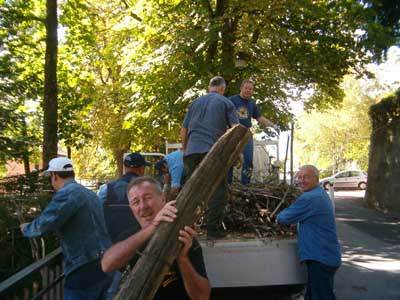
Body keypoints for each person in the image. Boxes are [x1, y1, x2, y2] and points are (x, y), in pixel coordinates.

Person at [101, 176, 211, 300]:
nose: (143, 206)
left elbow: (202, 297)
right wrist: (152, 228)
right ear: (131, 208)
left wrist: (182, 258)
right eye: (136, 202)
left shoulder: (182, 236)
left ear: (163, 199)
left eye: (148, 198)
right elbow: (107, 265)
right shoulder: (131, 236)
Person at [20, 157, 112, 300]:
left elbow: (45, 224)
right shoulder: (90, 194)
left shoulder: (67, 193)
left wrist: (27, 228)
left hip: (84, 268)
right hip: (105, 261)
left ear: (54, 176)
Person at [181, 76, 239, 238]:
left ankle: (183, 230)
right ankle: (212, 230)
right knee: (218, 190)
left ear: (209, 87)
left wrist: (185, 150)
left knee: (190, 191)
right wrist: (235, 152)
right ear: (222, 88)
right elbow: (235, 129)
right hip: (212, 152)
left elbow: (184, 129)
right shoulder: (226, 103)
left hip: (191, 152)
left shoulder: (195, 103)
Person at [277, 165, 341, 300]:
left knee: (322, 296)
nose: (301, 180)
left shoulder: (311, 198)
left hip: (321, 258)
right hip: (324, 257)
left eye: (306, 177)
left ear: (316, 179)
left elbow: (283, 218)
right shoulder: (320, 194)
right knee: (312, 295)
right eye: (299, 177)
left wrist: (277, 216)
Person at [97, 152, 150, 300]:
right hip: (140, 248)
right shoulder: (149, 192)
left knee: (111, 291)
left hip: (112, 248)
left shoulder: (106, 189)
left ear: (125, 167)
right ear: (141, 169)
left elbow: (97, 214)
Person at [229, 79, 279, 185]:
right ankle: (227, 184)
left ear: (252, 91)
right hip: (232, 133)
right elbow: (223, 114)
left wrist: (273, 125)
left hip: (246, 135)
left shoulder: (252, 104)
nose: (248, 90)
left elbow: (260, 118)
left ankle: (245, 185)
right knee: (230, 160)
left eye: (250, 89)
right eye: (246, 88)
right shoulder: (231, 100)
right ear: (241, 88)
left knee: (248, 160)